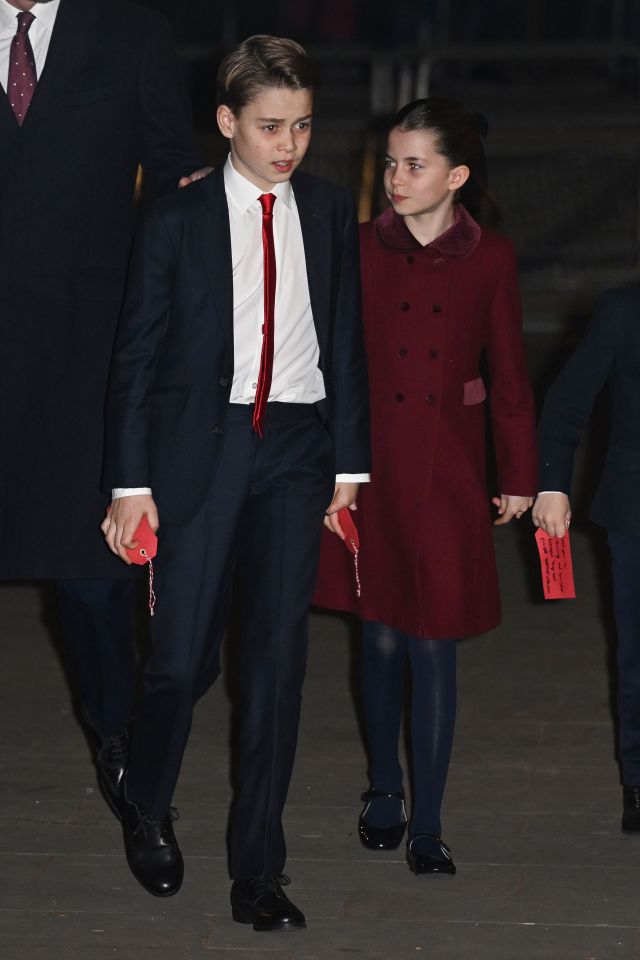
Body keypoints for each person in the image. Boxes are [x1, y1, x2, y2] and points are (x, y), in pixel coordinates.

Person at [101, 35, 370, 929]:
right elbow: (134, 358)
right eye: (268, 127)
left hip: (295, 447)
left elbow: (347, 341)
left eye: (299, 126)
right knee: (177, 660)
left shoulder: (331, 212)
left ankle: (259, 868)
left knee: (278, 666)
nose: (287, 144)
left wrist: (349, 463)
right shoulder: (175, 219)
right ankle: (147, 797)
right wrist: (128, 482)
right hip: (199, 448)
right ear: (226, 123)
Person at [315, 97, 538, 876]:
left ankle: (430, 823)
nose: (397, 177)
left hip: (447, 472)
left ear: (457, 175)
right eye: (391, 163)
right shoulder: (357, 249)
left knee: (433, 643)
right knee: (379, 636)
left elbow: (508, 373)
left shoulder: (492, 258)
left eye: (415, 164)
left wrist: (519, 473)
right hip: (367, 468)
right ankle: (384, 787)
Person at [0, 0, 205, 812]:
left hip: (86, 348)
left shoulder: (128, 30)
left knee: (94, 577)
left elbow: (172, 173)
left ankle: (126, 758)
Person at [532, 284, 640, 833]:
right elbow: (567, 401)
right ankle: (639, 779)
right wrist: (552, 484)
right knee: (638, 656)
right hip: (635, 511)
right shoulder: (624, 311)